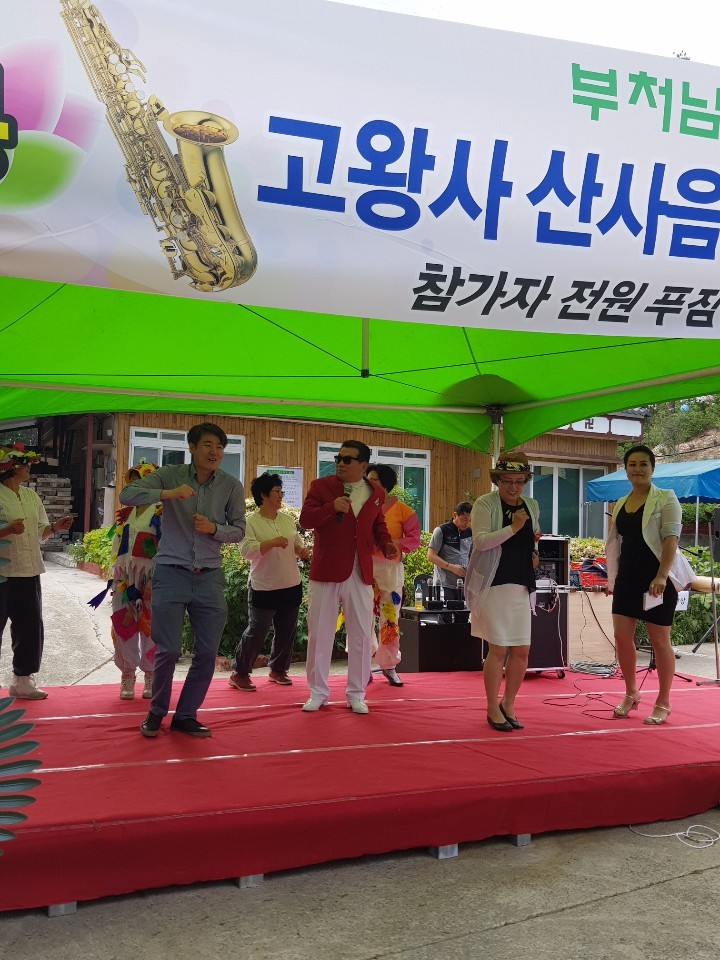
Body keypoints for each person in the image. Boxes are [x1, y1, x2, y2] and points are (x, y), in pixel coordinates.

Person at [120, 423, 245, 738]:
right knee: (168, 649)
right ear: (192, 447)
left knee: (207, 653)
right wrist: (168, 494)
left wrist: (215, 529)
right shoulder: (170, 475)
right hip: (171, 573)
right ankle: (156, 712)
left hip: (210, 577)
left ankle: (186, 715)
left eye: (219, 446)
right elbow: (127, 494)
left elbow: (239, 530)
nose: (214, 452)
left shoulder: (231, 486)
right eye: (207, 445)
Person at [299, 440, 397, 714]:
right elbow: (305, 519)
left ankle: (356, 693)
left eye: (347, 459)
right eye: (338, 458)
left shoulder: (376, 492)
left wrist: (386, 542)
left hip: (360, 570)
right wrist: (332, 507)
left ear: (363, 465)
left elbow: (378, 524)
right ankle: (318, 692)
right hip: (327, 569)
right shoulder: (321, 486)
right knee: (320, 633)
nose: (340, 463)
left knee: (361, 635)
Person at [605, 444, 694, 726]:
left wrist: (661, 575)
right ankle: (631, 692)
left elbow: (671, 539)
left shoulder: (666, 498)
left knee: (659, 641)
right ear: (626, 469)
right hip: (627, 578)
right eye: (632, 464)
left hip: (657, 579)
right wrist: (612, 578)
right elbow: (616, 543)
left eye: (643, 464)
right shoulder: (621, 502)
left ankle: (663, 701)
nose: (638, 469)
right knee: (621, 637)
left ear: (652, 468)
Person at [465, 451, 540, 732]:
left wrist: (534, 553)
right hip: (493, 584)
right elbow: (481, 542)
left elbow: (534, 535)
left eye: (519, 481)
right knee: (497, 648)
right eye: (507, 480)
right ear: (497, 480)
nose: (513, 487)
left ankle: (509, 704)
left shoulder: (532, 505)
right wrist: (513, 527)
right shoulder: (485, 503)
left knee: (522, 649)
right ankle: (491, 706)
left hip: (521, 583)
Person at [0, 444, 74, 699]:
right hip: (2, 572)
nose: (29, 468)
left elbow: (41, 532)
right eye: (25, 464)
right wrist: (6, 530)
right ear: (11, 467)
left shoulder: (31, 496)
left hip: (29, 570)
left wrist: (55, 528)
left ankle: (22, 680)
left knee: (30, 627)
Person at [228, 472, 310, 692]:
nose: (281, 495)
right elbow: (246, 551)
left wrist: (301, 550)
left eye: (281, 491)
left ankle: (278, 670)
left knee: (286, 631)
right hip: (263, 585)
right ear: (263, 495)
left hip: (291, 583)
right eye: (277, 491)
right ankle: (239, 673)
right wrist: (271, 543)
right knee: (257, 630)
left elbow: (296, 543)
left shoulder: (287, 519)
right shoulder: (250, 522)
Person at [109, 460, 162, 701]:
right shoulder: (126, 514)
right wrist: (115, 573)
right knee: (125, 622)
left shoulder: (161, 512)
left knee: (151, 626)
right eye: (131, 483)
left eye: (139, 482)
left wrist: (156, 579)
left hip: (152, 578)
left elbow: (167, 545)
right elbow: (117, 547)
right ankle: (127, 675)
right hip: (124, 579)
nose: (134, 487)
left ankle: (151, 675)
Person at [366, 464, 421, 687]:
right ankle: (361, 664)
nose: (368, 483)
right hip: (363, 567)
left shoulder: (403, 510)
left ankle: (389, 665)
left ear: (386, 484)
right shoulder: (360, 507)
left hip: (389, 569)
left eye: (373, 479)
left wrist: (390, 544)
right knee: (360, 615)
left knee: (389, 617)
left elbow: (414, 539)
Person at [427, 501, 473, 621]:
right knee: (445, 620)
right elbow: (431, 556)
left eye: (469, 520)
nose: (467, 523)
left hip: (463, 584)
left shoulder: (470, 533)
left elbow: (472, 556)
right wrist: (451, 567)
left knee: (463, 620)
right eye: (464, 519)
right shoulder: (441, 531)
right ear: (455, 515)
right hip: (444, 583)